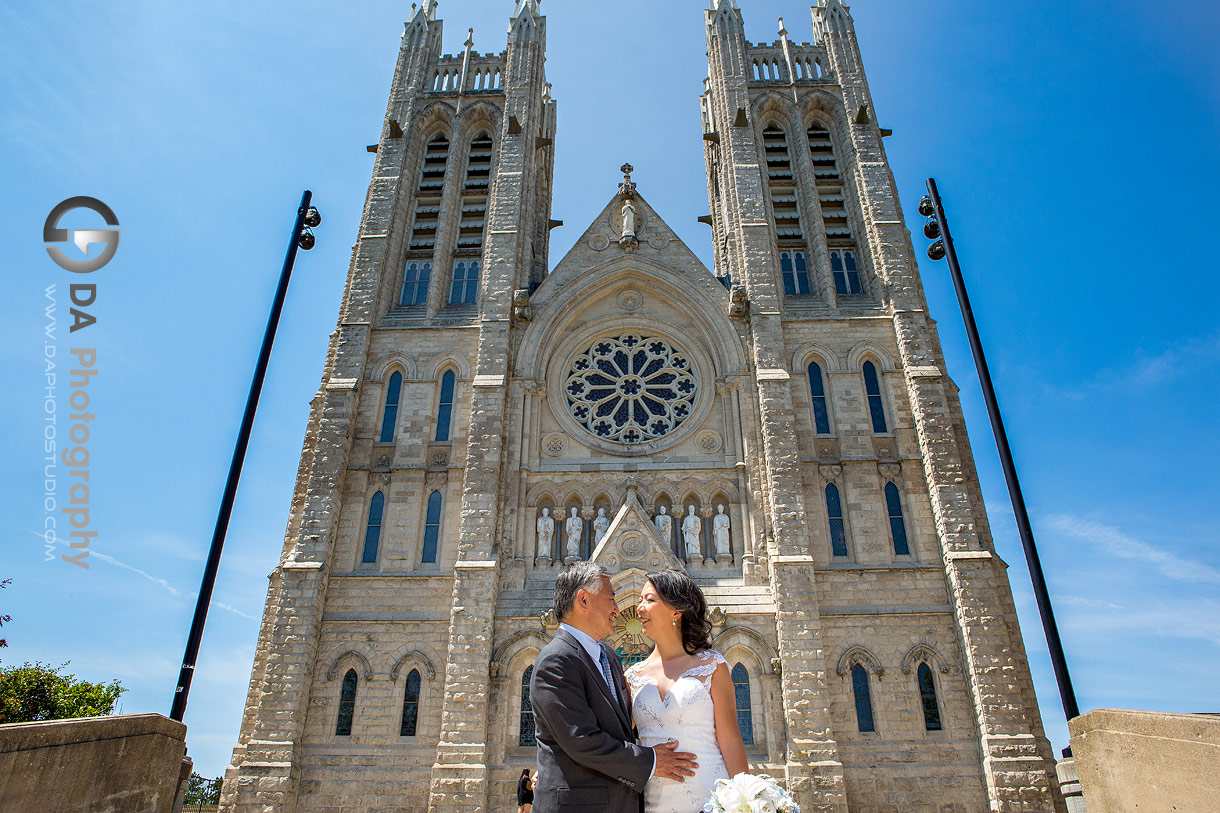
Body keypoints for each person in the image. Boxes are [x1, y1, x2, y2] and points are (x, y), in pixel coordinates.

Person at [529, 562, 698, 812]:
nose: (618, 610)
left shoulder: (608, 656)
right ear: (583, 600)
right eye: (611, 599)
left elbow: (625, 726)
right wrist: (651, 761)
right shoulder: (557, 660)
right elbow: (581, 740)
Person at [625, 569, 749, 812]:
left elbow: (731, 740)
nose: (639, 607)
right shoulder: (632, 677)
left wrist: (746, 799)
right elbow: (617, 743)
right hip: (654, 801)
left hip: (710, 796)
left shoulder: (712, 665)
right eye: (640, 600)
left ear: (676, 610)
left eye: (649, 600)